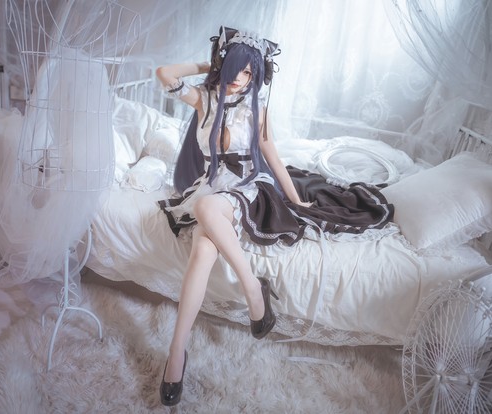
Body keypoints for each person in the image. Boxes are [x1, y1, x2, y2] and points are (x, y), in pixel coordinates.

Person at [155, 26, 394, 406]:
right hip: (212, 188)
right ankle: (179, 350)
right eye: (235, 68)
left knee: (204, 209)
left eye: (248, 72)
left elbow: (274, 157)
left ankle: (248, 291)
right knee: (202, 249)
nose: (239, 78)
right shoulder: (204, 100)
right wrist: (212, 65)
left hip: (248, 189)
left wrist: (296, 200)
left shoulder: (257, 109)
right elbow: (164, 74)